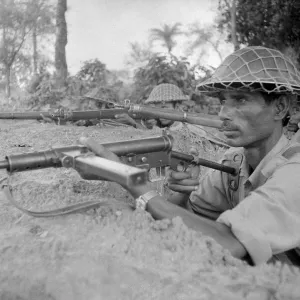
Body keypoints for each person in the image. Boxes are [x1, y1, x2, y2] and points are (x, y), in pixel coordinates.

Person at [79, 46, 300, 266]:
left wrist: (131, 180)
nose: (223, 113)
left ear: (280, 108)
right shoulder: (235, 161)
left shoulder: (295, 171)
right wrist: (182, 194)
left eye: (240, 100)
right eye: (223, 101)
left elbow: (228, 242)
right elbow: (187, 220)